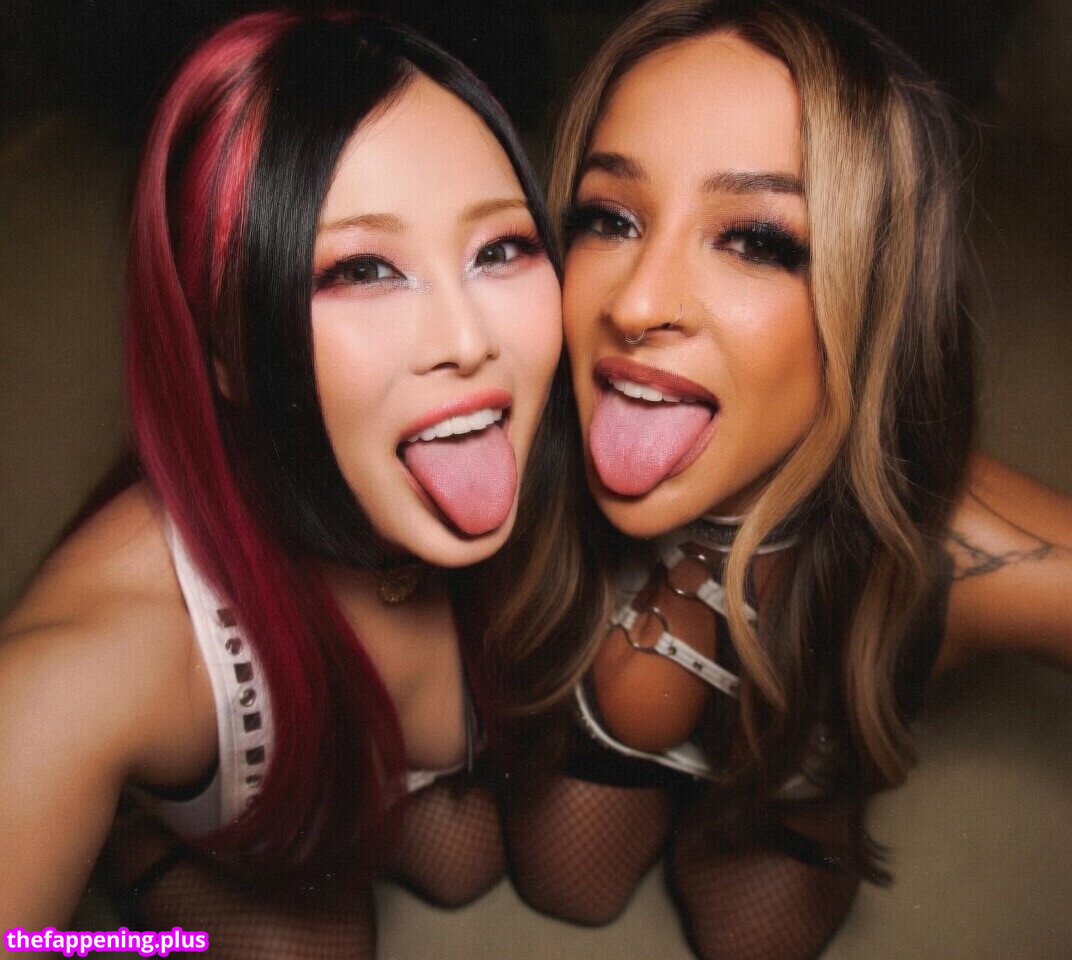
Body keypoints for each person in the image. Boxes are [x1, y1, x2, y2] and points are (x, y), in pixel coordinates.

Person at [0, 10, 595, 957]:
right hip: (240, 809)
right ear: (225, 347)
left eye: (500, 249)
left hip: (367, 780)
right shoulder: (87, 668)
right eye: (361, 268)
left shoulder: (549, 437)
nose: (469, 341)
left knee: (467, 856)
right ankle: (147, 847)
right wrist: (120, 947)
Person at [501, 2, 1072, 959]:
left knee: (754, 943)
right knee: (567, 885)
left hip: (788, 785)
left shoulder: (967, 547)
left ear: (879, 292)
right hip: (600, 722)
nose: (636, 303)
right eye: (610, 218)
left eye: (760, 241)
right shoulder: (519, 408)